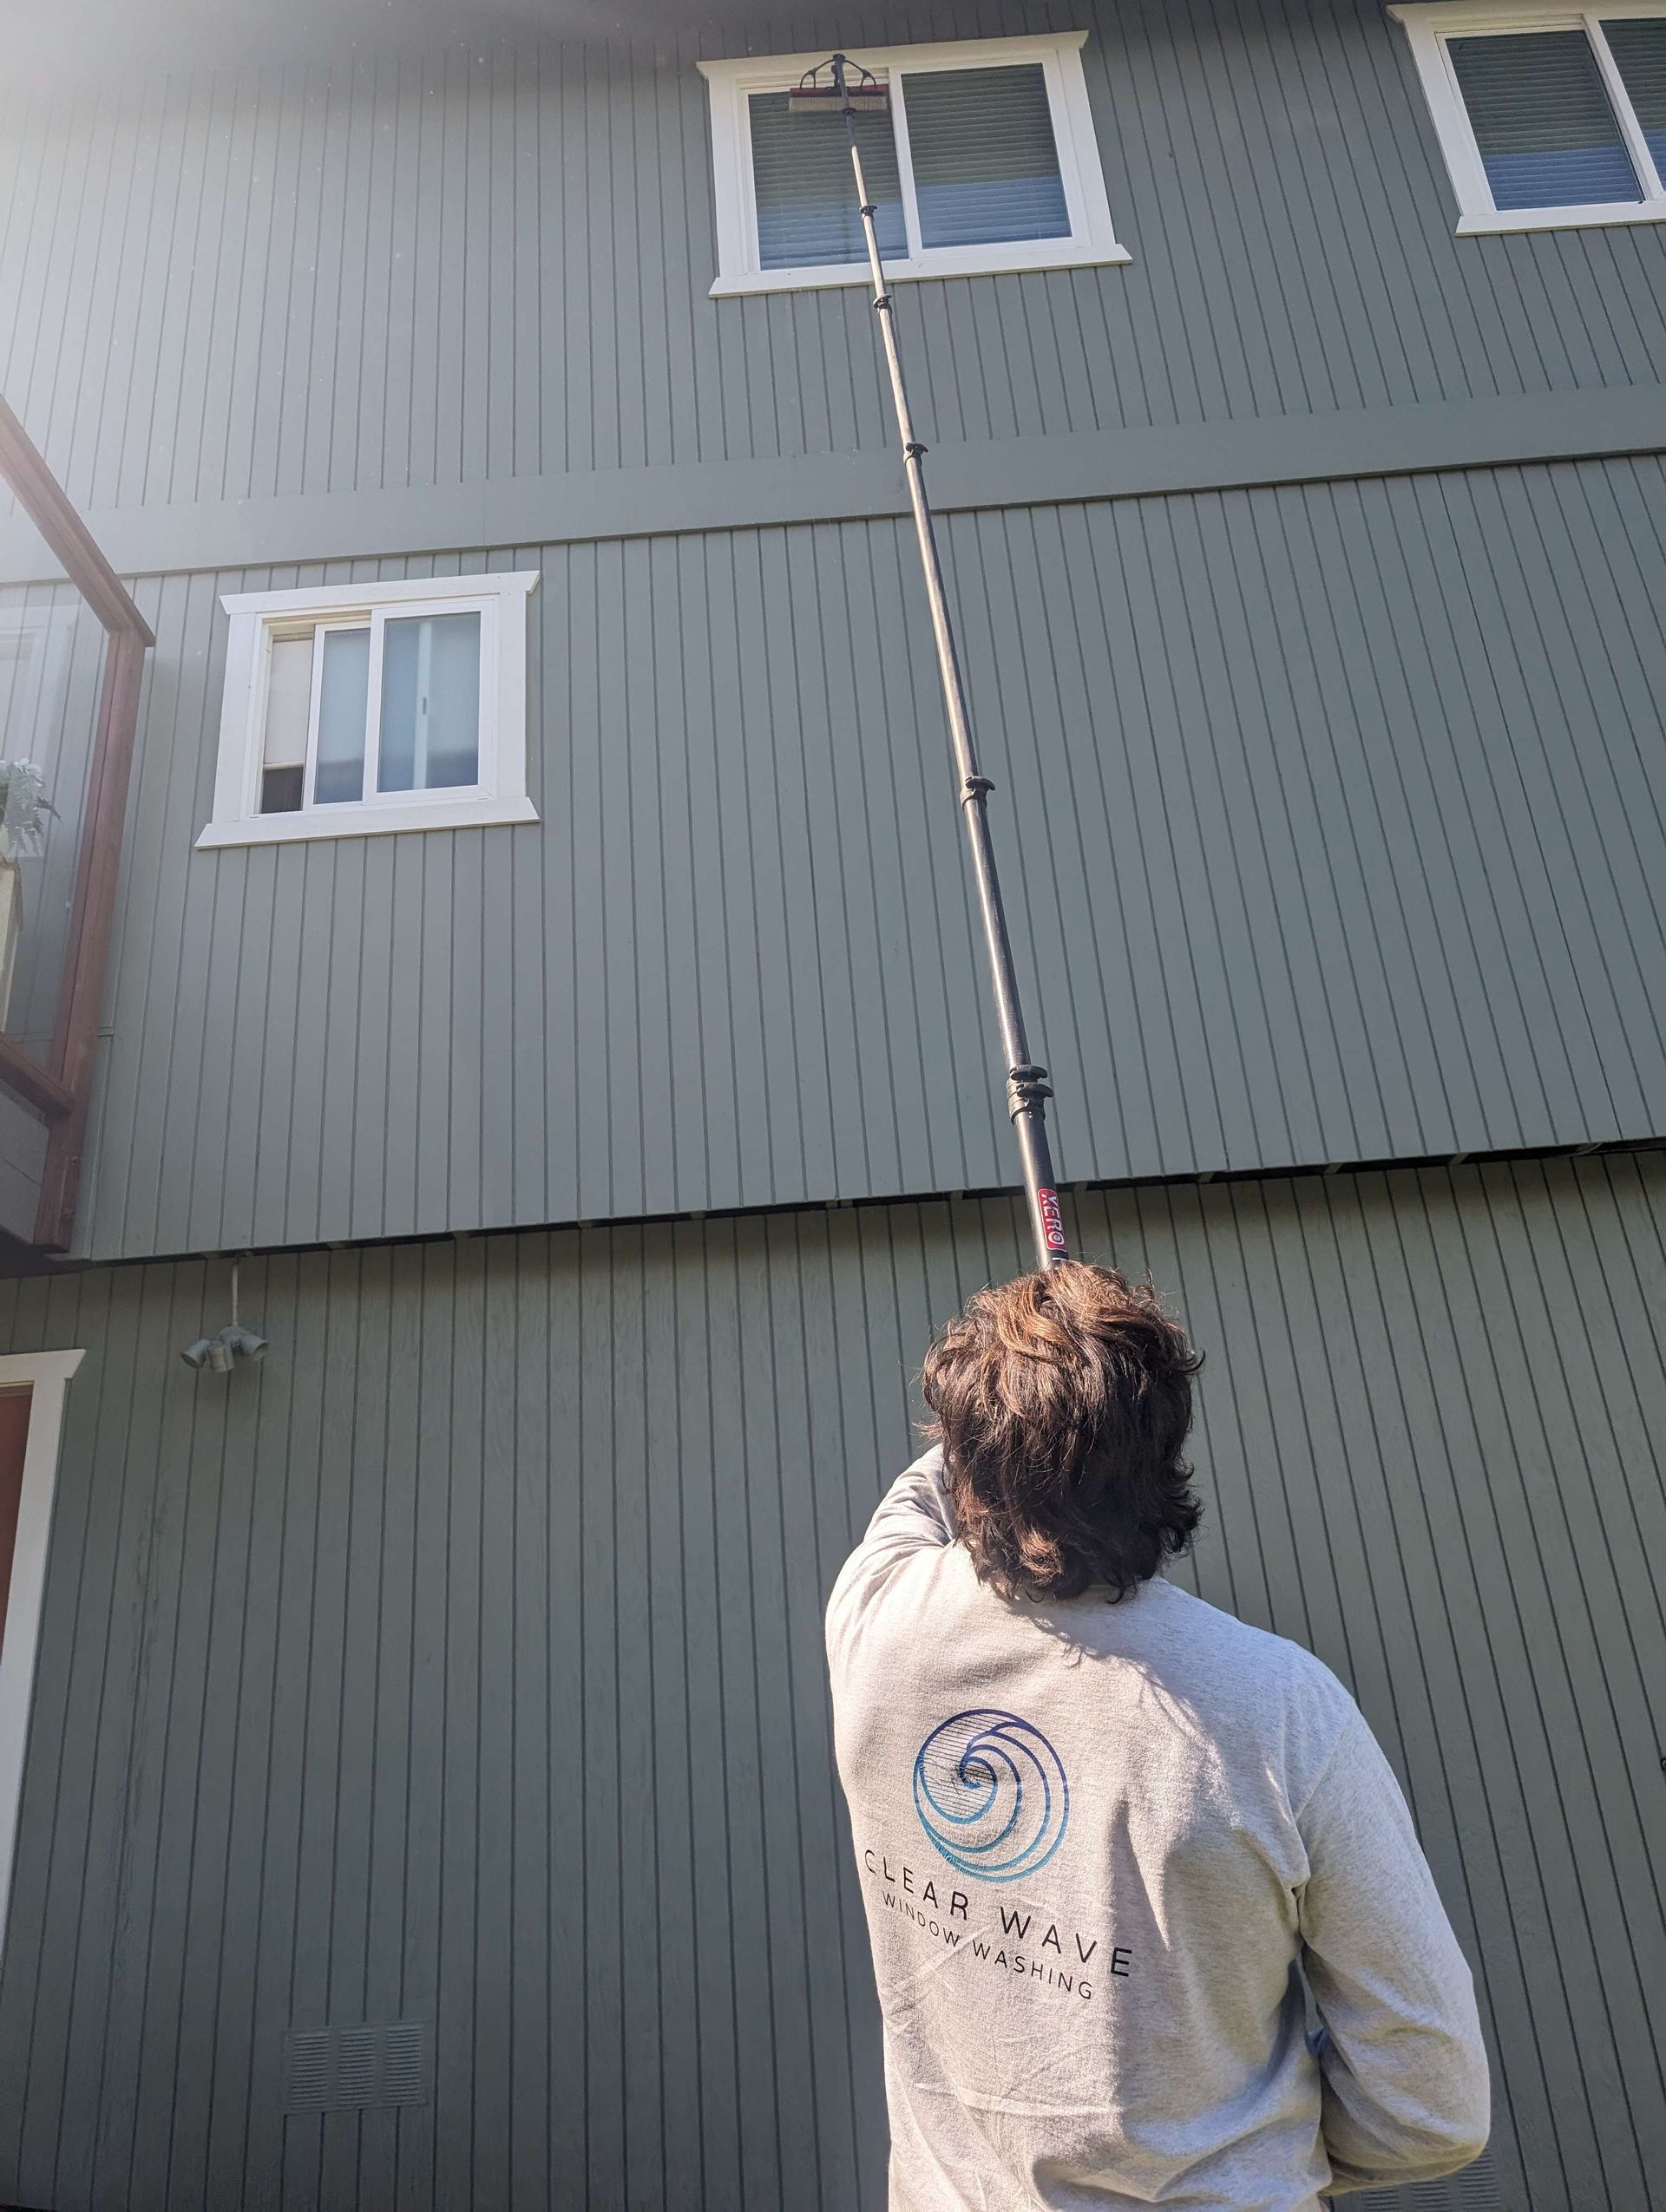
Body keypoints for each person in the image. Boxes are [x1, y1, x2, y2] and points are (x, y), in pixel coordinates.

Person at [826, 1260, 1490, 2211]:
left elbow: (928, 1489)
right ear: (1164, 1454)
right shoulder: (1279, 1710)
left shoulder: (876, 1623)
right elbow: (1434, 2110)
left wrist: (1042, 1375)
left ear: (969, 1448)